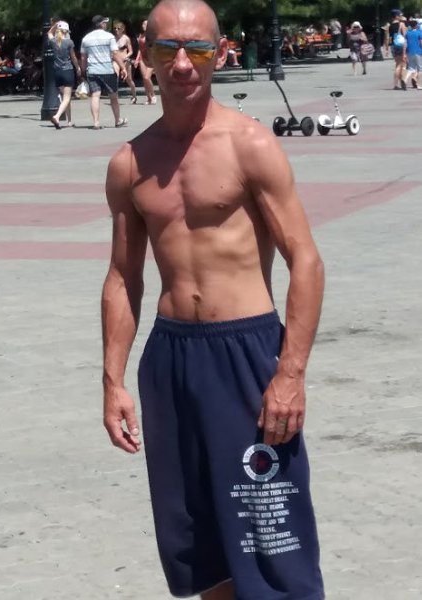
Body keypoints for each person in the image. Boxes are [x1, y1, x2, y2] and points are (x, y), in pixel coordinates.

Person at [101, 1, 325, 599]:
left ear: (220, 54)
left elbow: (306, 259)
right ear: (144, 55)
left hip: (246, 354)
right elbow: (123, 276)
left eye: (197, 48)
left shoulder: (249, 145)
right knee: (200, 544)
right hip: (172, 359)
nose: (183, 63)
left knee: (271, 539)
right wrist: (113, 380)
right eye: (167, 48)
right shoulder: (129, 163)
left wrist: (290, 373)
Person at [80, 15, 129, 129]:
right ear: (101, 24)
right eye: (105, 22)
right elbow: (115, 54)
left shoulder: (86, 38)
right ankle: (117, 120)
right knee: (113, 96)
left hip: (92, 70)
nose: (106, 24)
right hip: (107, 70)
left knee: (95, 95)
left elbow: (83, 57)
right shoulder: (109, 37)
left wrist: (83, 70)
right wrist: (123, 67)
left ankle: (96, 122)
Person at [47, 21, 81, 129]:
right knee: (67, 97)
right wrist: (78, 67)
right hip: (67, 70)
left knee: (65, 98)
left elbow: (49, 33)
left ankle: (69, 121)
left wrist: (55, 25)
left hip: (57, 72)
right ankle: (57, 116)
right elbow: (73, 57)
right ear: (66, 31)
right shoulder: (69, 42)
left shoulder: (53, 41)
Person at [113, 21, 137, 104]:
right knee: (115, 76)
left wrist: (126, 56)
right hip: (116, 60)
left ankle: (134, 96)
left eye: (118, 28)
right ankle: (115, 97)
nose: (116, 30)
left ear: (122, 29)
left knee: (129, 80)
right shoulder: (113, 39)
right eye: (115, 28)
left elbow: (131, 51)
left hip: (125, 60)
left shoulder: (126, 38)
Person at [134, 19, 157, 104]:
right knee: (144, 79)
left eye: (146, 24)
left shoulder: (153, 36)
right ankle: (149, 98)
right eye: (143, 24)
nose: (144, 26)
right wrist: (137, 59)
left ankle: (153, 94)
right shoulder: (141, 36)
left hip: (151, 58)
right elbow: (140, 49)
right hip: (142, 58)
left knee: (147, 77)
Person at [388, 9, 407, 89]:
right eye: (400, 15)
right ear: (396, 16)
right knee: (401, 64)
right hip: (400, 45)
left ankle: (396, 84)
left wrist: (387, 48)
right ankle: (402, 80)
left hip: (393, 45)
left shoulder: (390, 25)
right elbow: (405, 36)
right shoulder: (401, 24)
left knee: (397, 64)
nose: (401, 16)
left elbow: (389, 38)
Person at [404, 18, 422, 89]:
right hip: (418, 51)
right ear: (416, 25)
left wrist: (405, 53)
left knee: (411, 68)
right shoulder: (419, 32)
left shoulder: (408, 33)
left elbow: (405, 43)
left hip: (409, 52)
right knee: (420, 68)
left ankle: (405, 80)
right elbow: (421, 43)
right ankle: (418, 84)